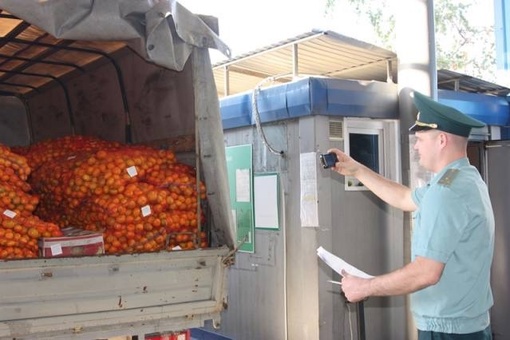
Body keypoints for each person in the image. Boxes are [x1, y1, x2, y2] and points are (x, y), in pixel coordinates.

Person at [328, 91, 495, 340]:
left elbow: (426, 272)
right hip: (462, 324)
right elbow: (406, 199)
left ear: (441, 140)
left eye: (420, 139)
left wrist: (365, 286)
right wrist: (357, 170)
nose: (416, 147)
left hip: (447, 330)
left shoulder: (446, 193)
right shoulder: (462, 178)